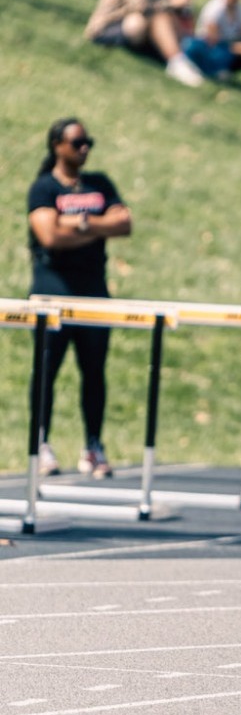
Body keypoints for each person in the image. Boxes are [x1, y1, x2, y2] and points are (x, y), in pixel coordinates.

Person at [27, 117, 133, 479]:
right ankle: (41, 442)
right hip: (52, 290)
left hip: (93, 292)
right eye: (77, 143)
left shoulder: (100, 183)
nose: (84, 148)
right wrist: (95, 226)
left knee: (94, 371)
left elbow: (124, 223)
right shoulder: (43, 187)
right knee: (46, 371)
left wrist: (76, 223)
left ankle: (93, 445)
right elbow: (49, 237)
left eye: (88, 142)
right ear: (57, 146)